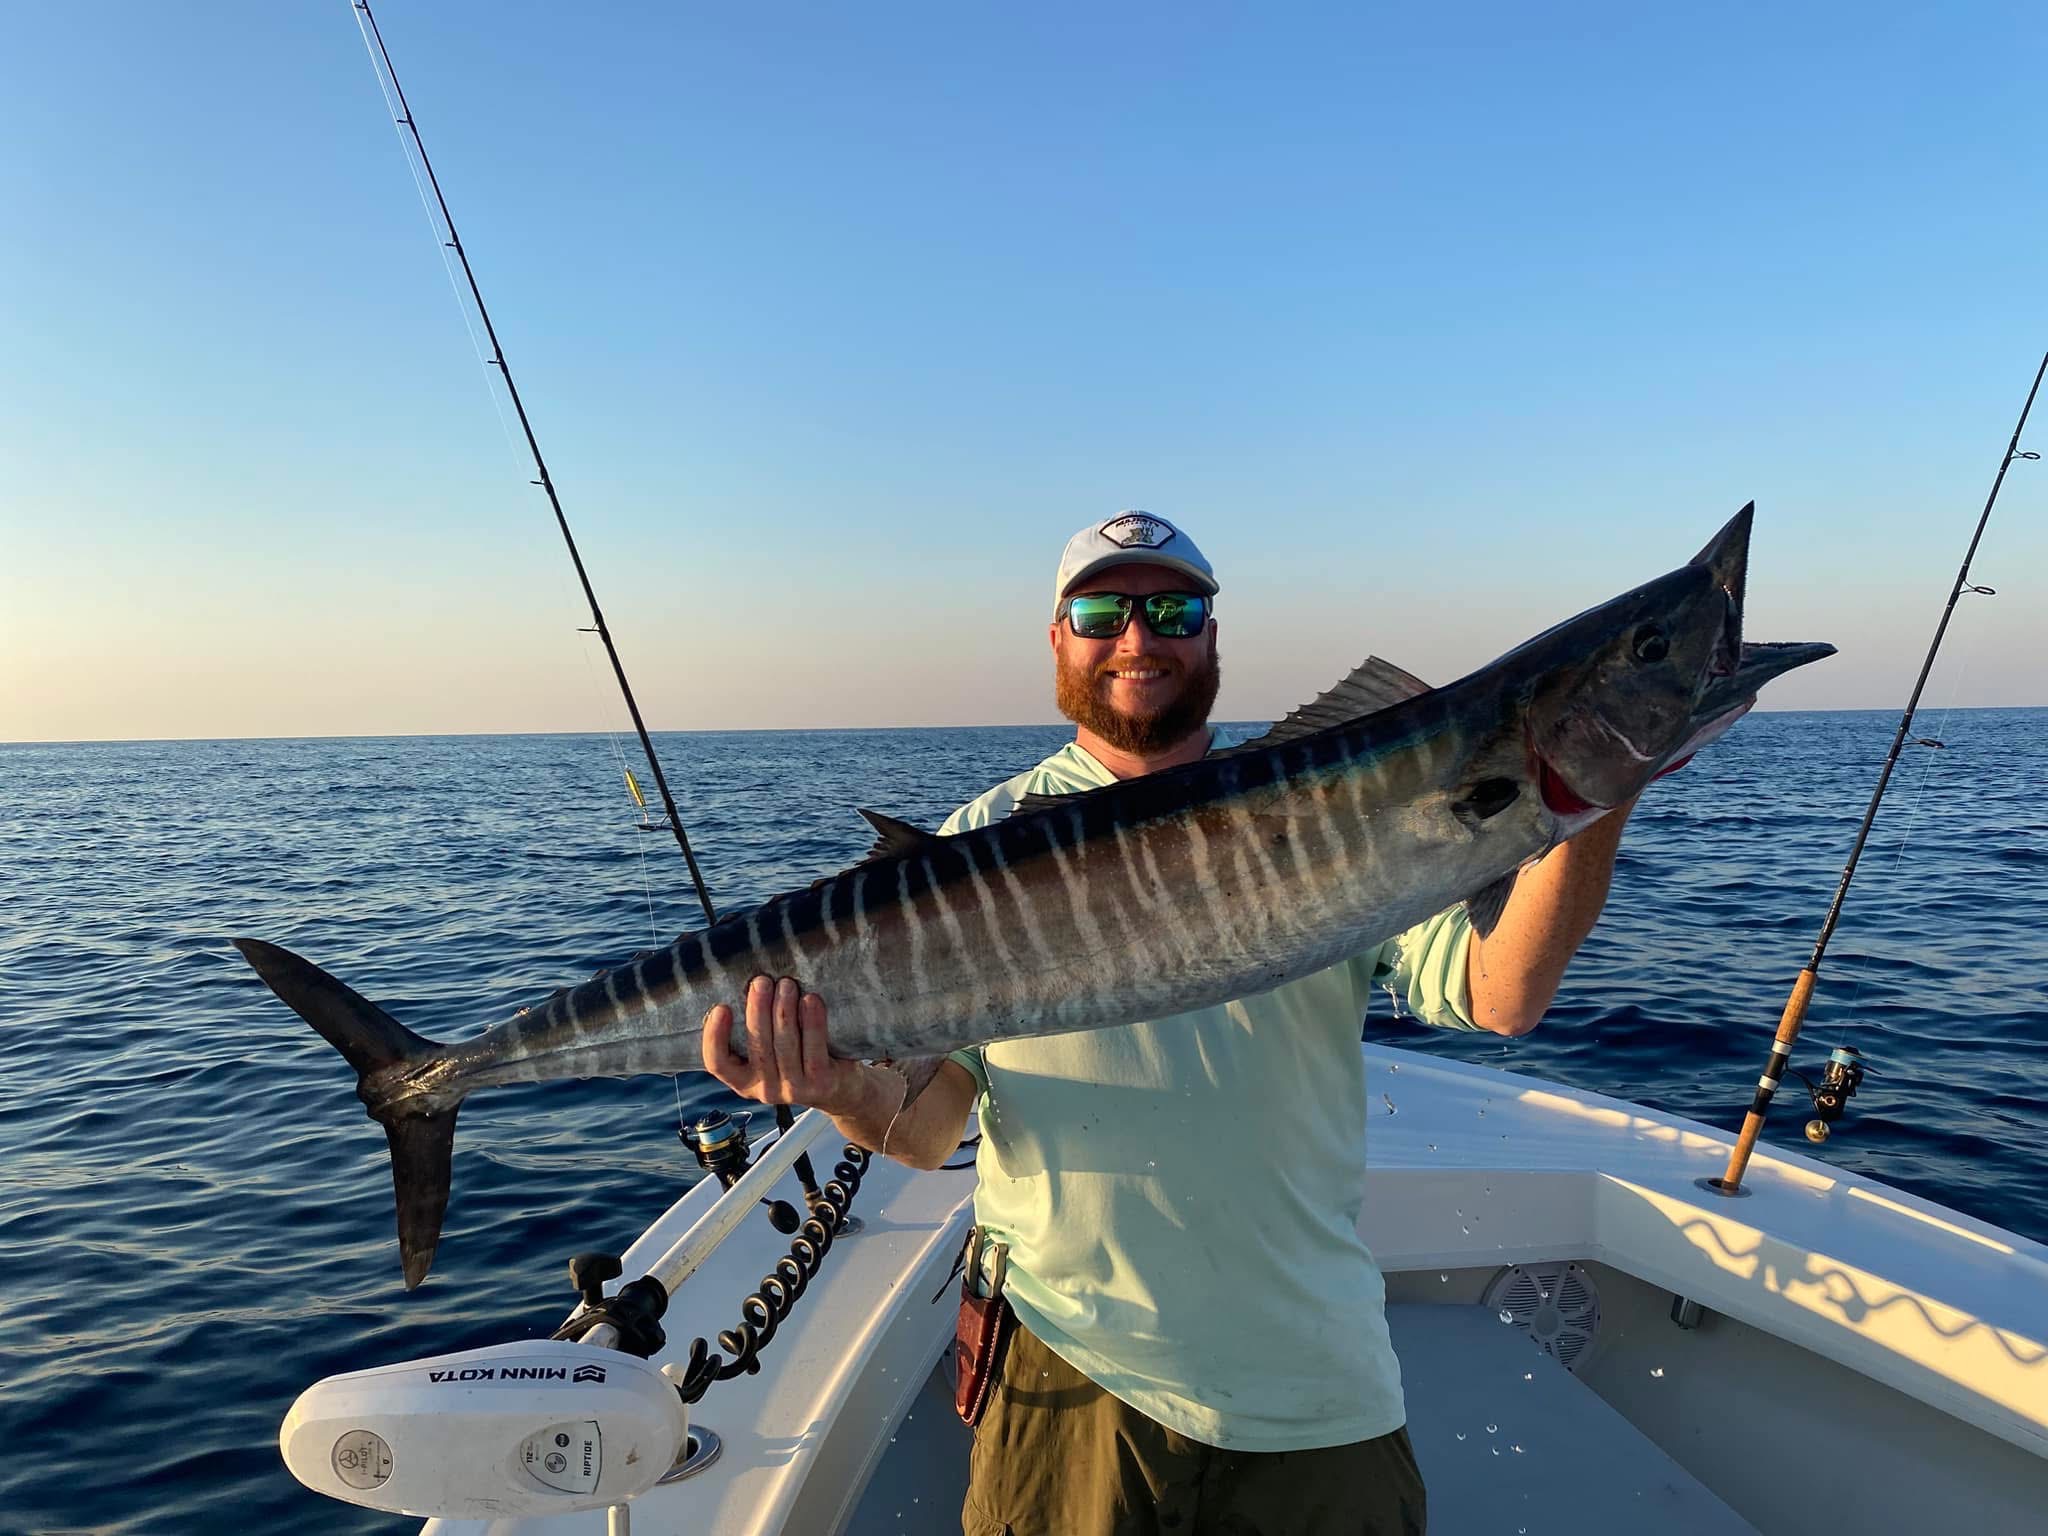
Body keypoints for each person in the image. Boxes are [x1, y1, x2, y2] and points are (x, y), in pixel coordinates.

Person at [702, 513, 1642, 1536]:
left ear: (1210, 635)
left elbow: (1497, 995)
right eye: (1101, 612)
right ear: (1057, 639)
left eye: (1171, 610)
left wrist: (1594, 803)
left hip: (1316, 1383)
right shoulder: (977, 840)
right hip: (1072, 1374)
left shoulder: (1343, 806)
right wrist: (835, 1085)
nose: (1137, 639)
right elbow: (926, 1131)